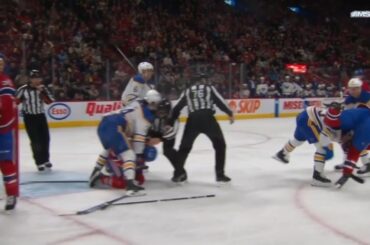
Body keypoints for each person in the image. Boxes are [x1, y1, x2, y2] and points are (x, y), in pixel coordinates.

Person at [89, 90, 161, 194]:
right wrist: (139, 158)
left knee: (108, 148)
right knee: (129, 155)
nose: (158, 108)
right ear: (152, 103)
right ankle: (130, 184)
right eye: (157, 105)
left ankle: (96, 170)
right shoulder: (145, 116)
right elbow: (138, 140)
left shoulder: (138, 102)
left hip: (104, 123)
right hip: (116, 125)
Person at [170, 74, 234, 183]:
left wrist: (171, 121)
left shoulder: (187, 91)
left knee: (184, 148)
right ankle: (220, 174)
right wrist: (229, 113)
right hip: (208, 118)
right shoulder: (209, 88)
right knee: (220, 146)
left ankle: (178, 174)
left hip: (193, 119)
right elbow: (220, 101)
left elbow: (177, 107)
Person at [273, 105, 335, 186]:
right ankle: (317, 177)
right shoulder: (340, 121)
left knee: (298, 140)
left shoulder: (339, 114)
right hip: (309, 121)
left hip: (303, 115)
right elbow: (326, 135)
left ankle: (282, 153)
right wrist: (328, 147)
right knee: (322, 148)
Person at [321, 107, 370, 188]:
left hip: (364, 127)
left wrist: (347, 172)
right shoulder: (344, 120)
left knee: (358, 146)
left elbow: (354, 151)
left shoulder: (365, 128)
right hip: (360, 122)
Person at [16, 69, 54, 171]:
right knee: (35, 140)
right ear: (30, 79)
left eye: (38, 78)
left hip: (41, 116)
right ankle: (39, 162)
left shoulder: (43, 88)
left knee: (45, 139)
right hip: (30, 118)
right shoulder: (23, 90)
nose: (37, 80)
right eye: (34, 78)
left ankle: (46, 160)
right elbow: (15, 101)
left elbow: (50, 101)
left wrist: (43, 92)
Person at [334, 78, 370, 174]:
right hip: (357, 123)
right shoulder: (349, 99)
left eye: (355, 88)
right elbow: (347, 113)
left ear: (360, 88)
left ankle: (367, 164)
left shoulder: (368, 97)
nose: (353, 91)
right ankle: (347, 161)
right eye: (351, 89)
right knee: (347, 142)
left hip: (366, 124)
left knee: (359, 142)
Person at [0, 54, 19, 210]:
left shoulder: (5, 82)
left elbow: (6, 110)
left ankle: (11, 195)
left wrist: (3, 126)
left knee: (6, 163)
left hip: (3, 131)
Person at [148, 98, 179, 177]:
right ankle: (139, 164)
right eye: (159, 111)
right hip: (153, 132)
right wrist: (147, 138)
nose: (161, 113)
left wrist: (160, 139)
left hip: (166, 135)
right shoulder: (151, 115)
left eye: (163, 112)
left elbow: (172, 133)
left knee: (168, 151)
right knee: (139, 143)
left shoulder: (173, 119)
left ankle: (179, 170)